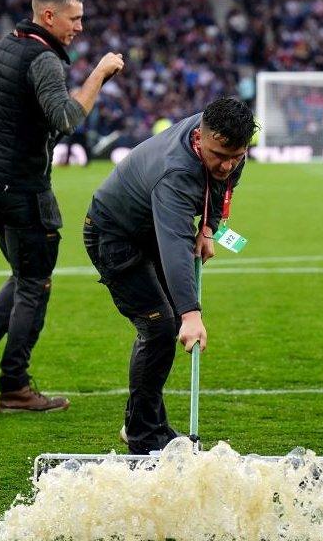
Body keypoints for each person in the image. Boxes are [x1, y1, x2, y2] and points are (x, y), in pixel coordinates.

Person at [0, 0, 124, 412]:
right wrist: (99, 74)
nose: (80, 27)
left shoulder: (2, 47)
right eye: (75, 18)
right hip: (22, 190)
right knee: (35, 284)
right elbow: (66, 119)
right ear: (49, 16)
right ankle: (16, 386)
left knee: (22, 274)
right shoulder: (42, 58)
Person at [82, 97, 256, 452]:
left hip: (148, 228)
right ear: (201, 137)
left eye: (236, 156)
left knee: (163, 321)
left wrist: (208, 228)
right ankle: (143, 435)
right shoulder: (176, 173)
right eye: (218, 155)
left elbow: (223, 186)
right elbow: (175, 247)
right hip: (114, 235)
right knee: (160, 325)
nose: (227, 165)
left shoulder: (227, 143)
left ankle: (146, 423)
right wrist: (192, 315)